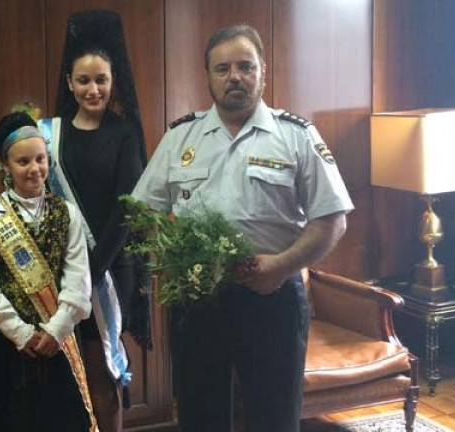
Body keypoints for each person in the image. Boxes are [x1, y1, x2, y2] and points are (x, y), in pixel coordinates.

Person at [131, 24, 353, 431]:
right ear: (209, 76)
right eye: (223, 68)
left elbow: (332, 220)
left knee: (275, 417)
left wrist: (282, 266)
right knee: (200, 415)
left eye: (245, 66)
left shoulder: (296, 136)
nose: (234, 76)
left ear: (263, 71)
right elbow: (144, 213)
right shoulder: (180, 137)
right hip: (197, 303)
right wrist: (171, 261)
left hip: (273, 298)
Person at [37, 10, 151, 431]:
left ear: (113, 81)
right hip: (58, 271)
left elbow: (127, 209)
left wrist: (91, 267)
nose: (93, 89)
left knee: (102, 368)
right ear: (69, 82)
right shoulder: (48, 134)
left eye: (101, 79)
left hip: (107, 270)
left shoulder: (124, 134)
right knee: (65, 372)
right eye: (83, 80)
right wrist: (66, 268)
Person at [0, 112, 96, 432]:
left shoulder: (68, 213)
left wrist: (57, 329)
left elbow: (78, 276)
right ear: (5, 167)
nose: (34, 169)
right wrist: (21, 333)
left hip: (59, 340)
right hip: (7, 345)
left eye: (40, 159)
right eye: (23, 161)